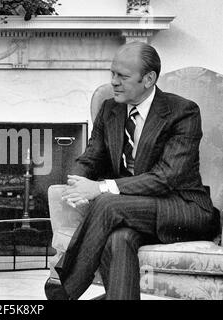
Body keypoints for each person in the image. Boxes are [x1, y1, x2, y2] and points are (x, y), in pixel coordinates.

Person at [46, 42, 220, 300]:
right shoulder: (110, 109)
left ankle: (64, 290)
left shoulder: (183, 112)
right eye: (112, 74)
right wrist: (78, 182)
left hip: (182, 208)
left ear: (148, 78)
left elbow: (167, 177)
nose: (114, 82)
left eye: (123, 76)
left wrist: (99, 188)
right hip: (129, 213)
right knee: (119, 238)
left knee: (107, 204)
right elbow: (91, 156)